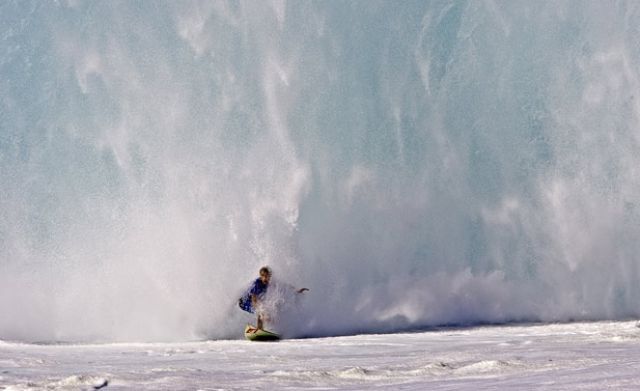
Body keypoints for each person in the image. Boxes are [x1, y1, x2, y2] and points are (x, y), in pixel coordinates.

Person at [238, 266, 308, 330]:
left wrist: (296, 290)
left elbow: (284, 286)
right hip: (244, 302)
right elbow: (254, 299)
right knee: (261, 310)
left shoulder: (270, 282)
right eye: (264, 276)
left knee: (269, 312)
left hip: (255, 301)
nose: (266, 278)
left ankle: (271, 328)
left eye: (268, 276)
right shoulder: (257, 284)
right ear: (261, 276)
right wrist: (260, 309)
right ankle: (259, 329)